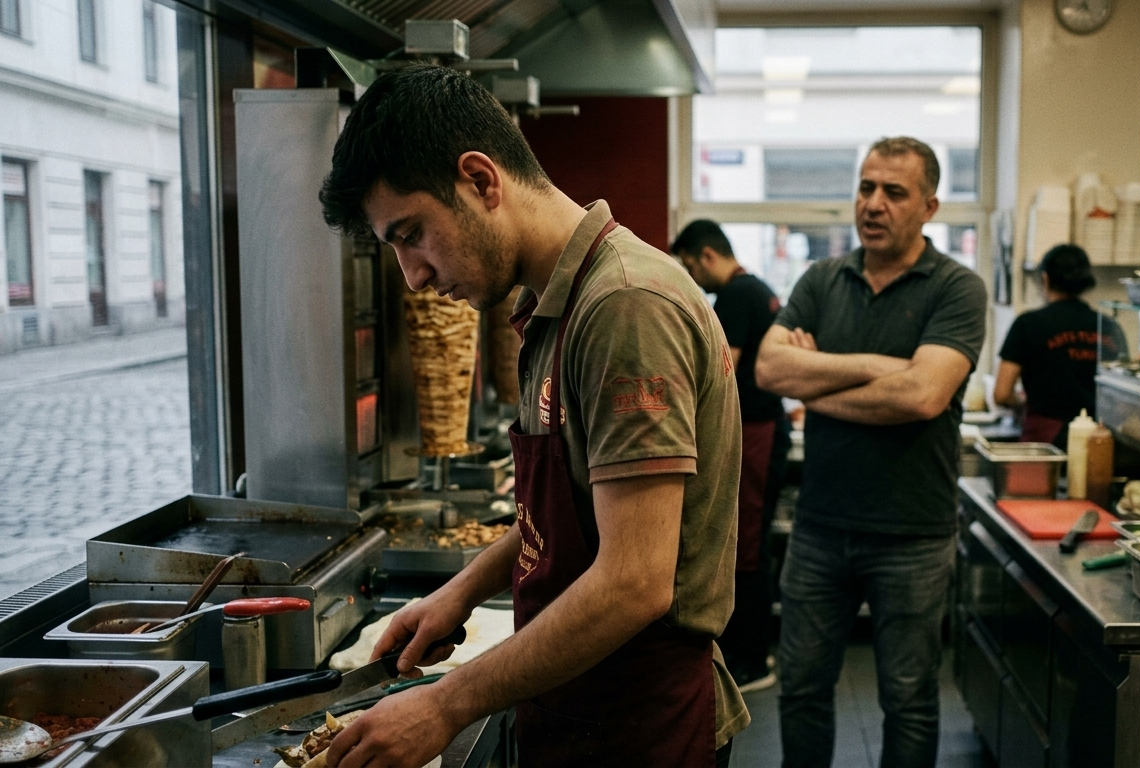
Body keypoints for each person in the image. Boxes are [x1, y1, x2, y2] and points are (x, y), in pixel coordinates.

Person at [317, 64, 748, 768]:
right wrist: (460, 590)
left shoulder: (624, 308)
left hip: (639, 725)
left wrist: (444, 704)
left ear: (482, 180)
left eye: (412, 234)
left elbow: (635, 580)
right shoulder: (559, 305)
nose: (413, 276)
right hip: (580, 704)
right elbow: (569, 520)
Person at [755, 136, 988, 768]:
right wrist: (870, 368)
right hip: (820, 528)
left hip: (912, 535)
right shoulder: (823, 279)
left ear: (930, 207)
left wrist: (818, 383)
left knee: (908, 698)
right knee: (802, 689)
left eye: (894, 192)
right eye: (865, 187)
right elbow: (770, 369)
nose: (874, 204)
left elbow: (920, 397)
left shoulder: (957, 289)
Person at [672, 219, 788, 694]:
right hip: (766, 426)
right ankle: (750, 649)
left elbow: (723, 370)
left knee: (747, 547)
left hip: (756, 432)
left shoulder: (738, 296)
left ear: (705, 255)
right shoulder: (759, 288)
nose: (693, 278)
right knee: (748, 544)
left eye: (690, 266)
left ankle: (753, 658)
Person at [993, 243, 1126, 446]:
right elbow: (1122, 396)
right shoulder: (1109, 327)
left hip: (1045, 442)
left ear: (1045, 279)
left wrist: (1020, 405)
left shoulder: (1028, 324)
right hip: (1099, 440)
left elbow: (1002, 394)